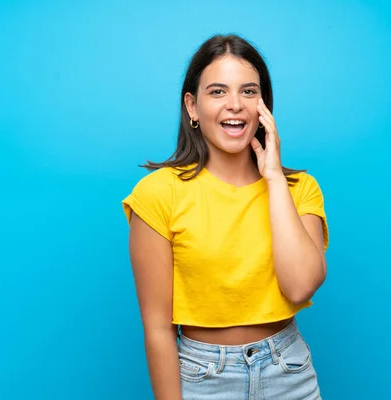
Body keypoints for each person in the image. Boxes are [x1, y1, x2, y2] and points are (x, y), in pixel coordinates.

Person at [122, 34, 329, 400]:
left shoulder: (299, 189)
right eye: (218, 92)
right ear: (192, 106)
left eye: (249, 92)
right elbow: (157, 329)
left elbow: (300, 286)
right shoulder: (159, 193)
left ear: (264, 106)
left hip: (289, 372)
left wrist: (275, 179)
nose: (235, 105)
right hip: (203, 379)